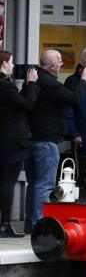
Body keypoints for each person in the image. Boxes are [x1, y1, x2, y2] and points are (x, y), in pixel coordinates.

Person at [25, 50, 86, 232]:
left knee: (34, 183)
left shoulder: (36, 79)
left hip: (32, 139)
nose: (61, 65)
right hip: (45, 141)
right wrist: (83, 80)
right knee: (45, 184)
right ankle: (40, 225)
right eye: (60, 62)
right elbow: (73, 98)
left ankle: (31, 223)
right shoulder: (48, 82)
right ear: (52, 65)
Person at [0, 52, 38, 237]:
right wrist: (30, 84)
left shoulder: (6, 87)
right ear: (4, 63)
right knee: (7, 182)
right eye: (12, 62)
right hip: (10, 142)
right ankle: (4, 223)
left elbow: (18, 103)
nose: (14, 66)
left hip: (5, 141)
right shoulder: (4, 86)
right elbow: (28, 104)